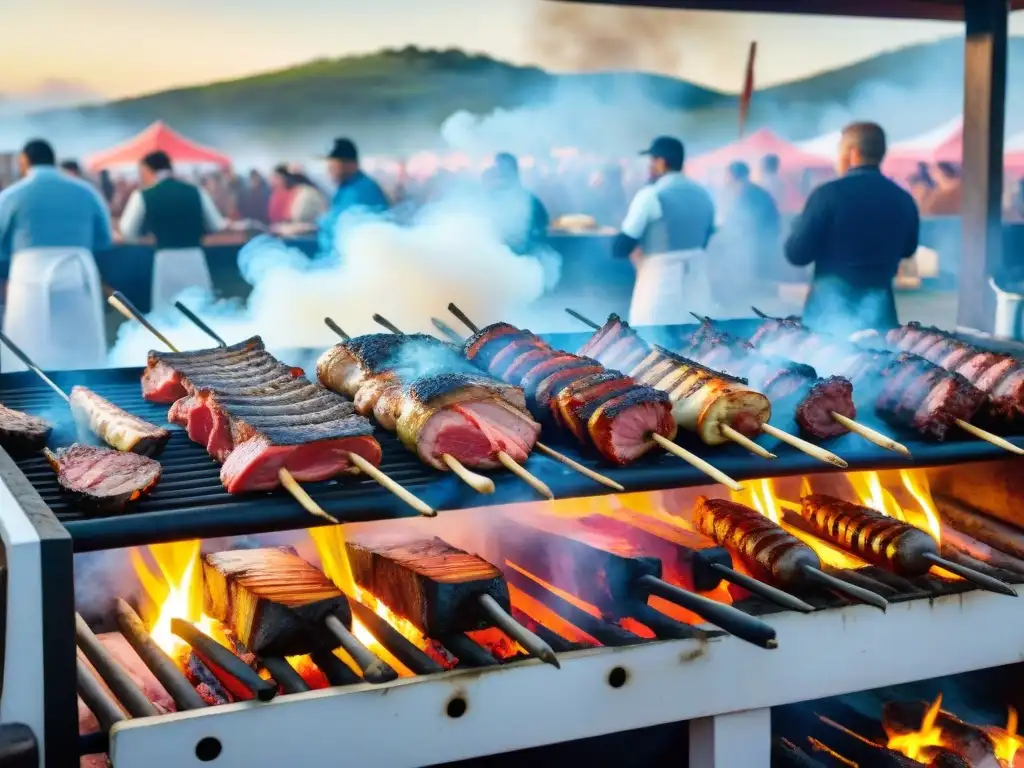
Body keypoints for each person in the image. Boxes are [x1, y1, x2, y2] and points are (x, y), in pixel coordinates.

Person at [784, 121, 919, 336]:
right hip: (880, 317)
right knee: (882, 367)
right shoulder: (903, 199)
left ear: (852, 152)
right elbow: (908, 249)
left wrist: (797, 226)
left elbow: (796, 254)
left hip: (827, 318)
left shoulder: (827, 194)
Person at [0, 139, 112, 370]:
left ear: (24, 161)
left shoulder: (13, 194)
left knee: (28, 344)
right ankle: (87, 388)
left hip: (28, 272)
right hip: (77, 270)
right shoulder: (86, 191)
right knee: (80, 344)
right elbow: (103, 239)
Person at [613, 136, 716, 325]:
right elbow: (707, 236)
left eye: (652, 161)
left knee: (654, 340)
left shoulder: (651, 195)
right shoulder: (703, 194)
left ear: (661, 162)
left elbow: (621, 247)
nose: (649, 166)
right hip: (697, 279)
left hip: (660, 280)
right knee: (698, 340)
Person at [119, 150, 226, 310]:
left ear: (148, 170)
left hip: (165, 260)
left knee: (167, 314)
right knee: (201, 312)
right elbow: (216, 225)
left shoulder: (143, 195)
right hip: (195, 259)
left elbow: (127, 231)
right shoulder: (197, 192)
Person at [715, 160, 781, 295]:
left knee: (757, 285)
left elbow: (745, 224)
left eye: (727, 175)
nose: (725, 180)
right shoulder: (753, 192)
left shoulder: (750, 194)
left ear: (733, 176)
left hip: (757, 247)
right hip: (761, 246)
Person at [318, 138, 389, 258]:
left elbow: (351, 232)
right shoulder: (345, 188)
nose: (329, 169)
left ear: (351, 164)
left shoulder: (363, 190)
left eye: (333, 164)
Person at [483, 152, 550, 255]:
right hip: (498, 255)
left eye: (502, 168)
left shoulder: (528, 199)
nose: (499, 172)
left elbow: (542, 225)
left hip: (522, 255)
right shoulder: (490, 197)